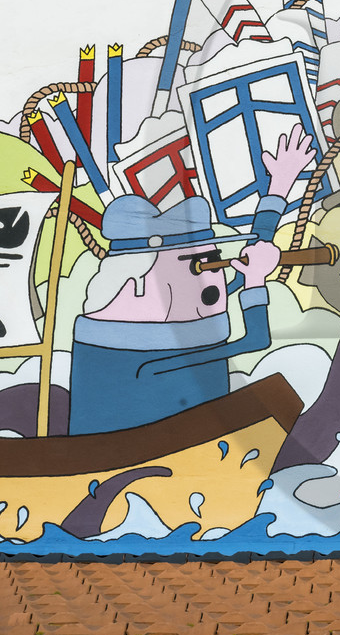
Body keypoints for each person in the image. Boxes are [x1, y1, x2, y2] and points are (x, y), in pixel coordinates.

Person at [67, 128, 314, 434]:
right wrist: (255, 284)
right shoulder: (145, 359)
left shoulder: (188, 320)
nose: (214, 273)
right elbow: (256, 339)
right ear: (137, 287)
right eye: (195, 266)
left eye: (212, 261)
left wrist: (279, 186)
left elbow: (248, 258)